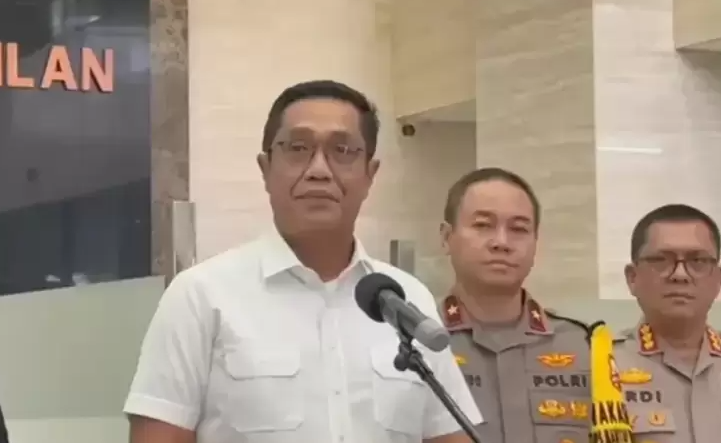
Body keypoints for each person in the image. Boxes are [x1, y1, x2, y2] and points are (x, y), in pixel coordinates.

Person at [123, 80, 482, 443]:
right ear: (266, 168)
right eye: (298, 148)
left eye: (342, 150)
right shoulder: (200, 296)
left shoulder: (408, 300)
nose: (319, 170)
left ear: (370, 175)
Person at [438, 167, 593, 443]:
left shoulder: (585, 346)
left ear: (536, 242)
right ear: (446, 237)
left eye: (519, 229)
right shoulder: (412, 341)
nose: (502, 242)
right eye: (483, 225)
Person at [613, 204, 721, 443]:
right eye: (661, 260)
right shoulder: (599, 365)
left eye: (698, 261)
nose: (680, 275)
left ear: (717, 280)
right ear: (632, 278)